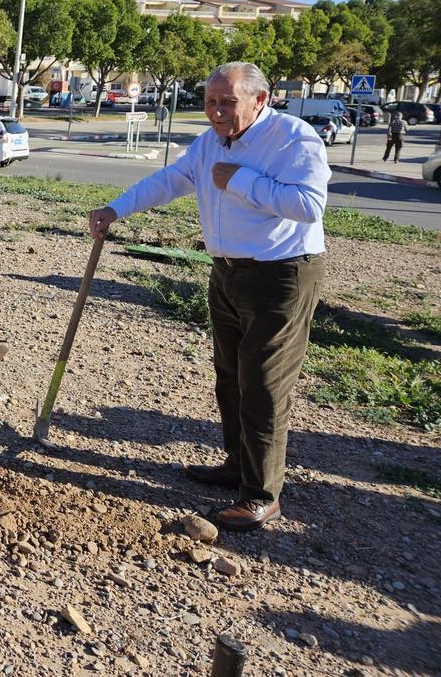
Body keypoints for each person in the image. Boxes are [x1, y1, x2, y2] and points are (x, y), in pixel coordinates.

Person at [89, 62, 329, 532]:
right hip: (226, 272)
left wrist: (239, 180)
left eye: (228, 102)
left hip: (281, 276)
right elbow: (170, 181)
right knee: (230, 377)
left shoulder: (293, 139)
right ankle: (237, 465)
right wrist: (116, 209)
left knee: (263, 385)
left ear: (260, 100)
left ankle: (262, 495)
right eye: (210, 102)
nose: (217, 111)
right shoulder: (209, 144)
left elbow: (308, 205)